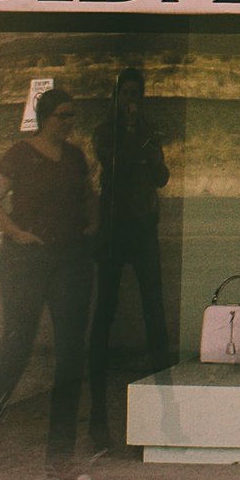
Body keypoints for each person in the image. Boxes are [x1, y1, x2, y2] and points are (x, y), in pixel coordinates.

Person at [0, 85, 96, 480]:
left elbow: (89, 199)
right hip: (25, 261)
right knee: (18, 345)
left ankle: (59, 461)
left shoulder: (75, 157)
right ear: (46, 118)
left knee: (72, 355)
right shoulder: (20, 154)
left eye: (73, 116)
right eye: (63, 116)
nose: (70, 123)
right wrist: (17, 234)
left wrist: (90, 228)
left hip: (69, 262)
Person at [86, 66, 174, 455]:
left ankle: (166, 414)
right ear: (116, 98)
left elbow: (161, 176)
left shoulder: (147, 129)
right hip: (112, 230)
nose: (131, 101)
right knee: (103, 317)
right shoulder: (106, 131)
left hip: (142, 227)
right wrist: (138, 142)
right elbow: (114, 163)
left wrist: (144, 143)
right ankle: (97, 422)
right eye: (126, 95)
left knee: (155, 313)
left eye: (137, 94)